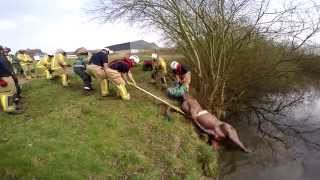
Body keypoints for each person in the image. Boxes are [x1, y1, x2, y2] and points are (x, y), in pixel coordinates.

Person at [181, 94, 251, 153]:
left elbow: (194, 112)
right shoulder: (191, 103)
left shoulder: (193, 102)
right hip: (211, 126)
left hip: (216, 125)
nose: (184, 96)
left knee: (232, 137)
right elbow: (203, 128)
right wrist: (194, 120)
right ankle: (240, 147)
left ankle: (243, 148)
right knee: (216, 145)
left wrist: (194, 118)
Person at [0, 46, 18, 113]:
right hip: (3, 77)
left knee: (11, 92)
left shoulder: (2, 56)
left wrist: (12, 74)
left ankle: (12, 106)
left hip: (7, 76)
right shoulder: (1, 57)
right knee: (5, 93)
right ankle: (8, 109)